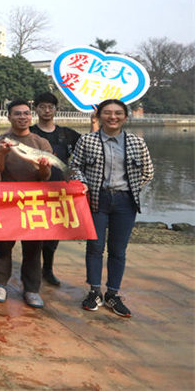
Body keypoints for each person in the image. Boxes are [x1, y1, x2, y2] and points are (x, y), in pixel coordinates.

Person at [70, 99, 154, 318]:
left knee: (118, 250)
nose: (112, 117)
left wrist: (132, 188)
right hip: (97, 199)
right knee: (95, 247)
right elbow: (75, 166)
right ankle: (94, 291)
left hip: (125, 202)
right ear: (99, 116)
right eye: (107, 112)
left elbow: (148, 172)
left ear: (125, 117)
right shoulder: (87, 140)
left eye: (118, 113)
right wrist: (84, 184)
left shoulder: (136, 142)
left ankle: (113, 294)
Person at [0, 99, 52, 309]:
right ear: (9, 117)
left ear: (31, 116)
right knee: (3, 245)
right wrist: (2, 154)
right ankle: (0, 284)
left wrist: (43, 167)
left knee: (33, 247)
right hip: (7, 202)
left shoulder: (41, 143)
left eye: (26, 113)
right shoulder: (0, 141)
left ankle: (31, 289)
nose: (22, 117)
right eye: (17, 114)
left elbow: (45, 176)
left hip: (33, 202)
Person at [30, 92, 82, 286]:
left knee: (54, 234)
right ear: (36, 109)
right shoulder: (29, 132)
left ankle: (48, 270)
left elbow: (88, 147)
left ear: (56, 110)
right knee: (34, 233)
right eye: (42, 107)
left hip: (59, 190)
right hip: (33, 189)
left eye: (50, 107)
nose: (46, 110)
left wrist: (94, 123)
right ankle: (32, 271)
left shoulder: (66, 134)